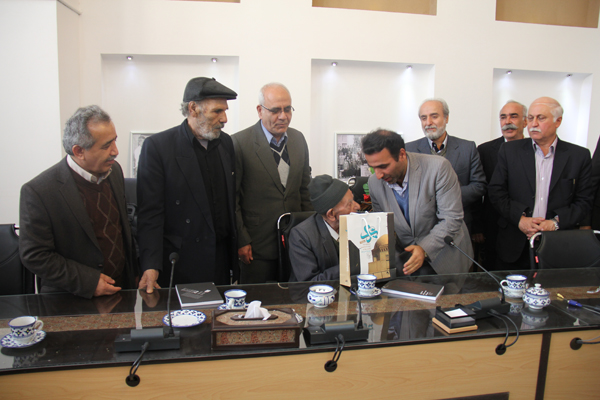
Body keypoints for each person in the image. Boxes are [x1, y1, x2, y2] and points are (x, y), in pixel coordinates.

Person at [19, 105, 137, 298]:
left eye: (114, 141)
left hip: (120, 292)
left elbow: (122, 231)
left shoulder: (114, 171)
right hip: (72, 299)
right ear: (79, 151)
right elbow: (35, 255)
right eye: (106, 146)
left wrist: (135, 271)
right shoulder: (39, 192)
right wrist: (89, 282)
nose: (115, 151)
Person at [137, 77, 238, 292]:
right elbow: (150, 215)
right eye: (217, 111)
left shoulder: (225, 143)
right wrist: (150, 265)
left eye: (225, 111)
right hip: (182, 263)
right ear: (193, 108)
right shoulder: (158, 148)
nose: (224, 119)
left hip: (220, 262)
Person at [488, 97, 593, 270]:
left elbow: (584, 201)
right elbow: (496, 192)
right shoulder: (509, 151)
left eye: (541, 118)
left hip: (558, 244)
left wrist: (555, 222)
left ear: (558, 121)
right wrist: (520, 219)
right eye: (530, 118)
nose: (533, 124)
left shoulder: (578, 156)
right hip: (515, 242)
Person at [362, 129, 472, 275]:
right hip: (408, 263)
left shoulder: (439, 168)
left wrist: (424, 249)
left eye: (383, 166)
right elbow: (382, 226)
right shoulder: (374, 183)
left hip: (446, 258)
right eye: (373, 167)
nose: (378, 175)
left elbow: (451, 218)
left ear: (401, 154)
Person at [233, 83, 313, 283]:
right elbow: (233, 199)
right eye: (276, 110)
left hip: (295, 241)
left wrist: (312, 232)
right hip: (256, 245)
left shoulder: (298, 139)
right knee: (257, 299)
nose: (283, 116)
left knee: (294, 296)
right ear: (260, 110)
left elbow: (305, 189)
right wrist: (241, 240)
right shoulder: (239, 143)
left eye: (288, 109)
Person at [405, 99, 486, 233]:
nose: (428, 122)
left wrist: (447, 197)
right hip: (422, 229)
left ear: (446, 118)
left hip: (459, 226)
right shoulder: (409, 150)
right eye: (424, 118)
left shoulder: (467, 148)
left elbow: (479, 186)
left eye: (434, 116)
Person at [473, 100, 527, 269]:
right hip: (492, 227)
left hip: (523, 225)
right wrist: (477, 227)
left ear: (525, 121)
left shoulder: (534, 150)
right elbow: (478, 191)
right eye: (503, 117)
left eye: (513, 116)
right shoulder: (485, 150)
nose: (507, 121)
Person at [288, 175, 359, 282]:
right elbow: (310, 282)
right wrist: (353, 265)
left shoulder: (358, 224)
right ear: (331, 214)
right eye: (350, 204)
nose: (357, 206)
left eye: (353, 200)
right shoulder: (301, 236)